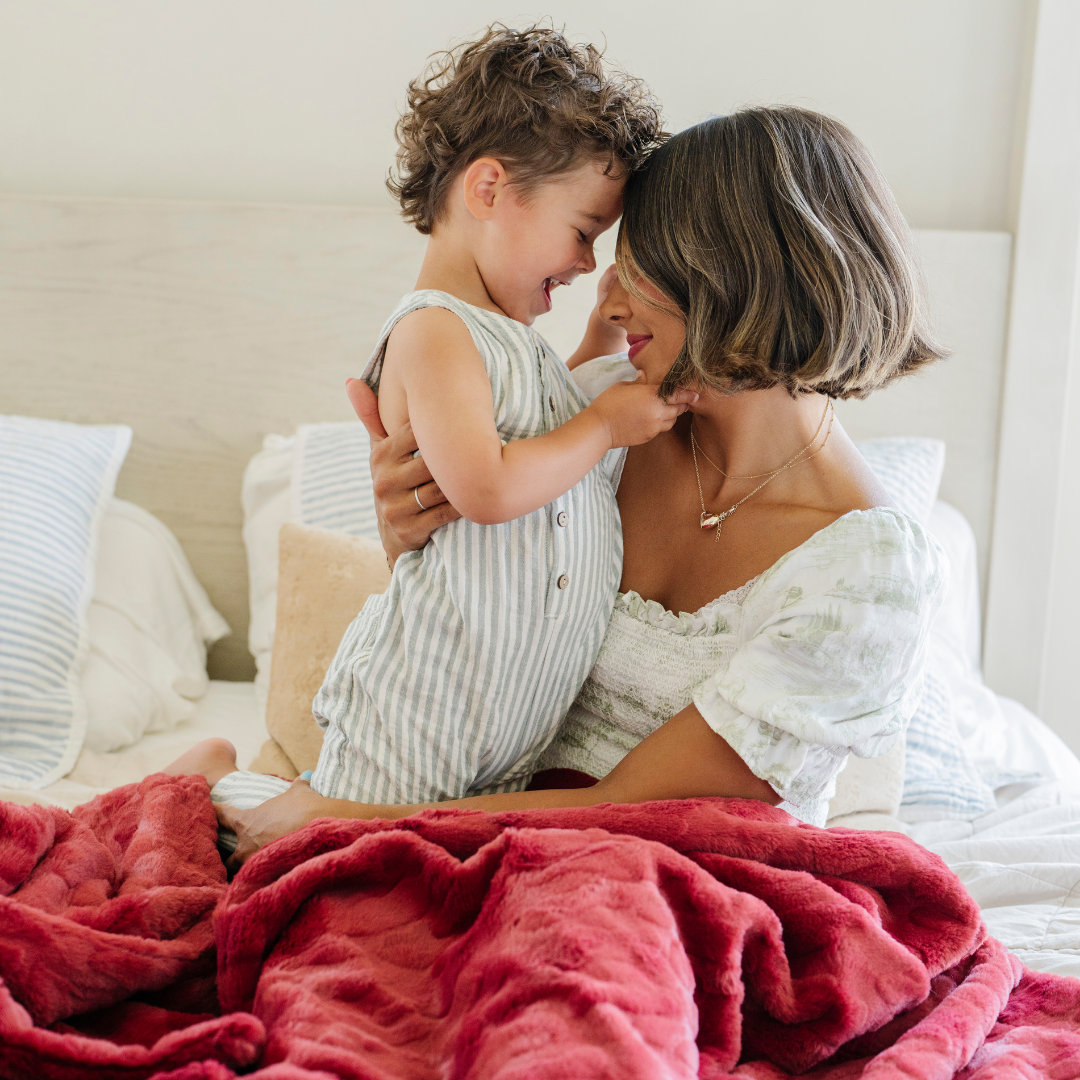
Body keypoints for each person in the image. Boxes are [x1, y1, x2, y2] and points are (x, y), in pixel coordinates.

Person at [188, 105, 949, 865]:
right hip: (452, 818)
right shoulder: (601, 415)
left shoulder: (866, 576)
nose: (608, 304)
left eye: (640, 270)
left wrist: (348, 823)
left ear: (739, 274)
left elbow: (656, 815)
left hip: (659, 882)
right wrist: (409, 529)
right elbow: (479, 612)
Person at [180, 25, 693, 833]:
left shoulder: (514, 345)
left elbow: (546, 412)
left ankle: (235, 790)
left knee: (396, 853)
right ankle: (205, 782)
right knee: (316, 845)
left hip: (502, 731)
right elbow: (487, 487)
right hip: (420, 702)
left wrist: (596, 344)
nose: (589, 262)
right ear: (488, 191)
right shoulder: (433, 332)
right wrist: (602, 427)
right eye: (584, 230)